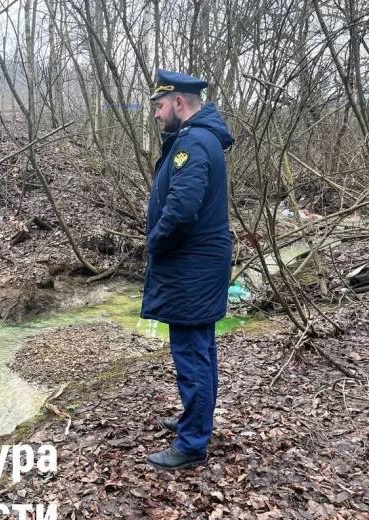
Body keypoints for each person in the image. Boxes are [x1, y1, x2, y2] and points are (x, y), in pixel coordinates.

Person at [142, 69, 234, 470]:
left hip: (191, 270)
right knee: (202, 351)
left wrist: (154, 243)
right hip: (199, 267)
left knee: (192, 355)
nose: (158, 115)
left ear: (179, 103)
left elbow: (182, 208)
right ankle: (195, 422)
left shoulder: (193, 143)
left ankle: (192, 443)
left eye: (160, 107)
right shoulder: (198, 138)